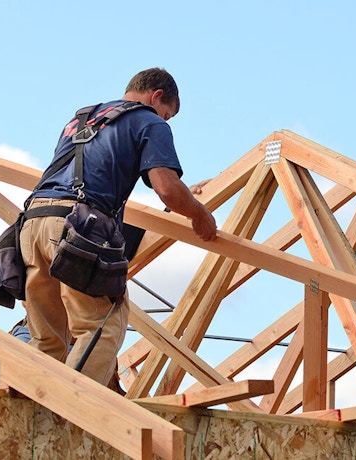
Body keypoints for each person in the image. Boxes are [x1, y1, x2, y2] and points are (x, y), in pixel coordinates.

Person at [19, 67, 217, 388]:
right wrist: (198, 215)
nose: (164, 122)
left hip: (33, 224)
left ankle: (36, 410)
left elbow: (91, 176)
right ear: (157, 97)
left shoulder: (82, 119)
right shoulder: (149, 121)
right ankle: (71, 409)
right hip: (78, 225)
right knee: (103, 324)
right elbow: (166, 186)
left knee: (49, 339)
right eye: (167, 115)